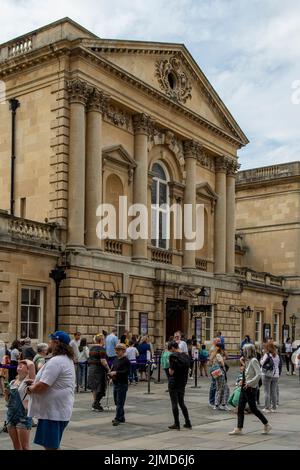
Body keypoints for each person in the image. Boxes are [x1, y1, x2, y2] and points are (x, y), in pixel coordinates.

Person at [27, 331, 75, 450]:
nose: (49, 343)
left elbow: (43, 386)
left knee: (50, 447)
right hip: (57, 411)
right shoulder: (66, 359)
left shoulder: (56, 361)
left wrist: (31, 388)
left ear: (56, 342)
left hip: (53, 413)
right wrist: (34, 383)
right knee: (52, 445)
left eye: (51, 340)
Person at [229, 343, 272, 435]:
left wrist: (249, 383)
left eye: (244, 350)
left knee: (253, 409)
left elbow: (258, 374)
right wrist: (243, 380)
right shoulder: (248, 361)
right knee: (240, 408)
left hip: (251, 389)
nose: (242, 352)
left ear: (248, 351)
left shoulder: (253, 360)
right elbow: (248, 372)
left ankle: (267, 424)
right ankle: (239, 428)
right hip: (244, 388)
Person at [5, 359, 35, 450]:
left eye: (23, 365)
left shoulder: (29, 381)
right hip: (10, 415)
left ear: (27, 369)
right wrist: (7, 394)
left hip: (23, 416)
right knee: (16, 446)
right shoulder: (12, 382)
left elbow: (32, 365)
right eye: (19, 364)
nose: (20, 365)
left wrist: (24, 360)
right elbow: (7, 401)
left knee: (25, 447)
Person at [167, 341, 192, 430]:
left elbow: (171, 371)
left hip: (174, 381)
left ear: (173, 348)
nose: (170, 352)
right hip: (183, 382)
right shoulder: (186, 356)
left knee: (174, 403)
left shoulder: (173, 356)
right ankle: (188, 422)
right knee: (181, 402)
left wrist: (169, 366)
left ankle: (176, 423)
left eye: (170, 350)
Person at [108, 343, 130, 426]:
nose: (116, 351)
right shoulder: (116, 359)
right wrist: (110, 375)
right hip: (115, 382)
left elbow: (126, 372)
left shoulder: (126, 360)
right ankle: (122, 417)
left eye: (118, 350)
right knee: (117, 402)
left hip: (122, 383)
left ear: (123, 351)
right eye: (116, 350)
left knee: (120, 402)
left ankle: (117, 418)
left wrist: (116, 373)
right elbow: (113, 368)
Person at [88, 334, 109, 411]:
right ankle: (96, 403)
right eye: (103, 339)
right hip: (99, 370)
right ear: (101, 340)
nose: (104, 341)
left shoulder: (91, 348)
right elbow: (103, 361)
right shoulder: (101, 349)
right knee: (100, 386)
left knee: (94, 387)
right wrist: (108, 369)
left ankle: (95, 404)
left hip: (91, 369)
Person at [260, 342, 280, 412]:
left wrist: (262, 358)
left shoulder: (266, 355)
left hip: (267, 374)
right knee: (273, 391)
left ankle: (267, 407)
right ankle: (274, 407)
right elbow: (278, 364)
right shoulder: (277, 355)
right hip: (275, 375)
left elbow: (262, 363)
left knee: (267, 391)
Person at [209, 343, 230, 410]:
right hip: (220, 373)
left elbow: (211, 362)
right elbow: (223, 364)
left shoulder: (214, 355)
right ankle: (222, 404)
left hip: (216, 373)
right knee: (224, 388)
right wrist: (224, 369)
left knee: (219, 388)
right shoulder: (218, 355)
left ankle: (217, 404)